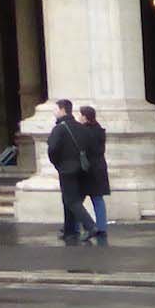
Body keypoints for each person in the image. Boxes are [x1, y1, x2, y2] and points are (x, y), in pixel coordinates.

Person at [44, 99, 96, 244]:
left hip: (66, 169)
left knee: (71, 200)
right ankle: (69, 230)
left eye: (55, 109)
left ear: (62, 110)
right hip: (82, 168)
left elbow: (52, 149)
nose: (54, 112)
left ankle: (90, 226)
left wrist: (58, 164)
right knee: (69, 199)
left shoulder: (59, 128)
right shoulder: (81, 128)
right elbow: (90, 147)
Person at [76, 105, 110, 242]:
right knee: (97, 199)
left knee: (76, 201)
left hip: (87, 169)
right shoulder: (100, 130)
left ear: (84, 117)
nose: (79, 117)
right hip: (99, 168)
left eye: (80, 115)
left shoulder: (84, 132)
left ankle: (76, 226)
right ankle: (102, 227)